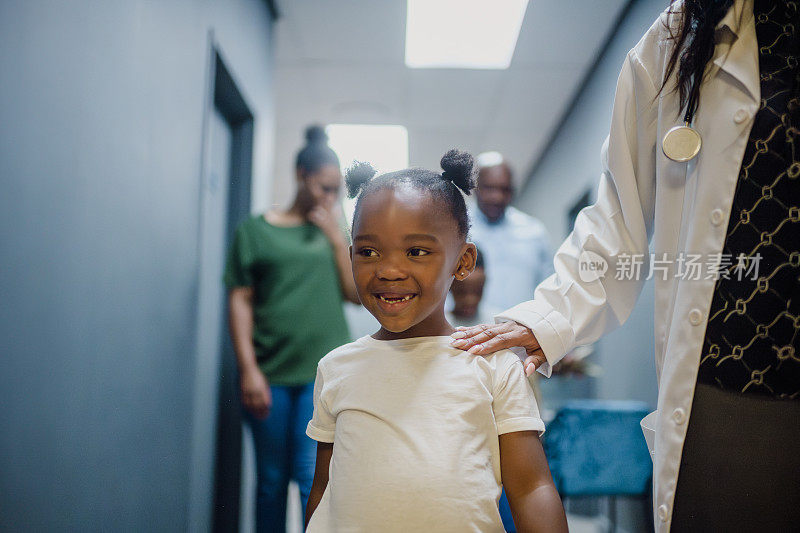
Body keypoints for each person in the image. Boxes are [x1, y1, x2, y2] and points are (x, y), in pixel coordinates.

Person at [451, 0, 799, 531]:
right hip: (742, 376)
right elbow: (614, 225)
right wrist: (546, 320)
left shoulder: (529, 233)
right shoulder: (678, 38)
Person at [304, 151, 567, 532]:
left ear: (462, 262)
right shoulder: (336, 367)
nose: (389, 270)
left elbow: (531, 488)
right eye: (368, 252)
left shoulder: (492, 364)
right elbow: (324, 489)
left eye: (416, 252)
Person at [224, 126, 359, 532]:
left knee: (311, 478)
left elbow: (355, 294)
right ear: (301, 176)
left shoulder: (334, 231)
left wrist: (336, 238)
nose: (330, 198)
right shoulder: (255, 231)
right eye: (323, 187)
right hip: (269, 374)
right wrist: (249, 369)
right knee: (269, 483)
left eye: (336, 191)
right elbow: (239, 300)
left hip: (322, 377)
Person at [469, 152, 552, 312]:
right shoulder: (458, 229)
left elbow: (548, 286)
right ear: (475, 188)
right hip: (468, 332)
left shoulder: (534, 231)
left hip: (521, 329)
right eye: (489, 188)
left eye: (504, 189)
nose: (497, 197)